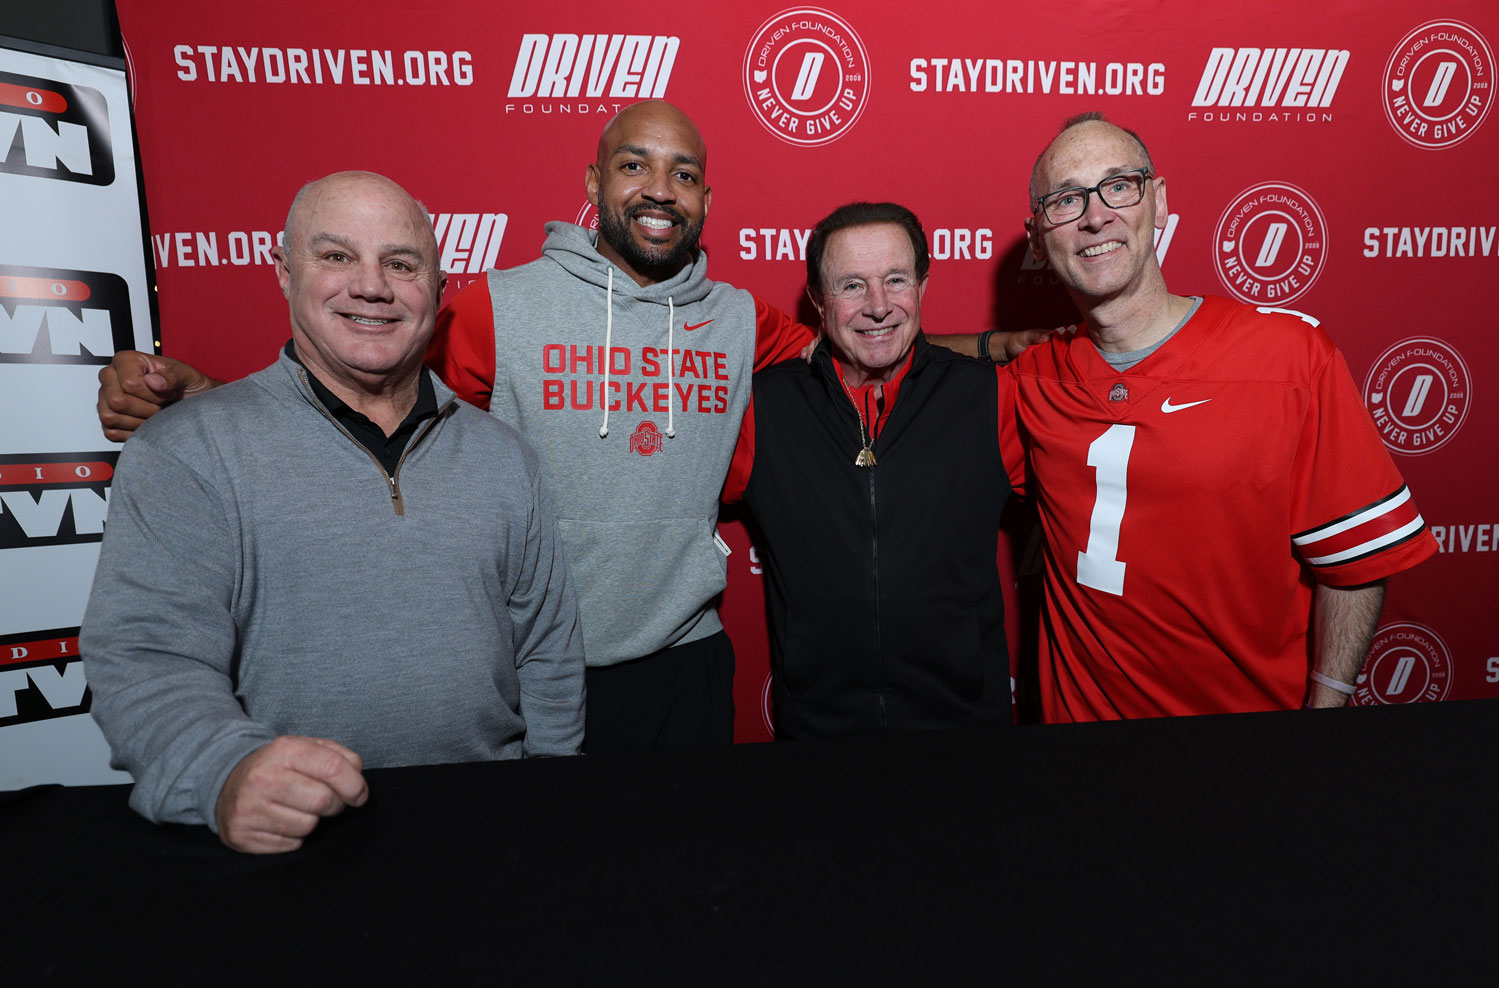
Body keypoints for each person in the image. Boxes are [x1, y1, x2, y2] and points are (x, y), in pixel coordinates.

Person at [96, 101, 1038, 750]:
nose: (659, 188)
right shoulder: (500, 307)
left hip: (685, 661)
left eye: (683, 173)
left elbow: (868, 338)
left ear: (709, 198)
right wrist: (207, 396)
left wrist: (1026, 340)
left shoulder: (741, 318)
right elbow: (362, 390)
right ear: (594, 180)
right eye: (634, 165)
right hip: (537, 667)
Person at [81, 171, 585, 853]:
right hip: (295, 839)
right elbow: (147, 656)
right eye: (337, 256)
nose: (371, 285)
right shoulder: (187, 449)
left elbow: (546, 652)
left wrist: (550, 796)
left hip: (489, 828)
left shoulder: (505, 456)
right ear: (285, 273)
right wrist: (223, 773)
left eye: (401, 264)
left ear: (438, 290)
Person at [1012, 113, 1437, 721]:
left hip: (1249, 751)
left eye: (1118, 186)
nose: (1095, 214)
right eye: (1065, 199)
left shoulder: (1289, 359)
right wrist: (991, 343)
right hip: (1082, 764)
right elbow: (883, 359)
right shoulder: (1029, 378)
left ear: (1158, 203)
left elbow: (1356, 564)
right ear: (1036, 236)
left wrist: (1324, 715)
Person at [723, 203, 1023, 737]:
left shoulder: (988, 396)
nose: (879, 306)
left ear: (923, 286)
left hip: (967, 728)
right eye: (852, 286)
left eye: (896, 280)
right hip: (821, 730)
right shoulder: (762, 409)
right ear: (818, 299)